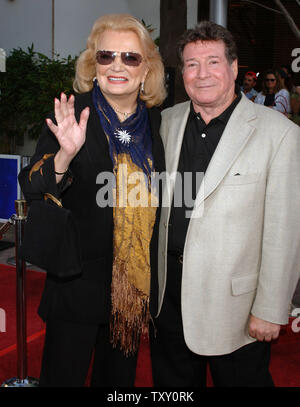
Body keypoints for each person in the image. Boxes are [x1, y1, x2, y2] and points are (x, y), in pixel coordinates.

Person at [18, 13, 166, 387]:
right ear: (93, 64)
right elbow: (32, 185)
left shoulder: (155, 124)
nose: (117, 65)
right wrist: (65, 155)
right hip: (76, 285)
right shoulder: (72, 114)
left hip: (131, 289)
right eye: (106, 56)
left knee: (117, 383)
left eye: (130, 57)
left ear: (146, 68)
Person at [150, 20, 300, 387]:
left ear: (233, 68)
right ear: (181, 72)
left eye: (213, 62)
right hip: (167, 300)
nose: (202, 74)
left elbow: (285, 231)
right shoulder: (164, 123)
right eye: (191, 64)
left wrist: (270, 309)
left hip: (236, 308)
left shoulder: (279, 134)